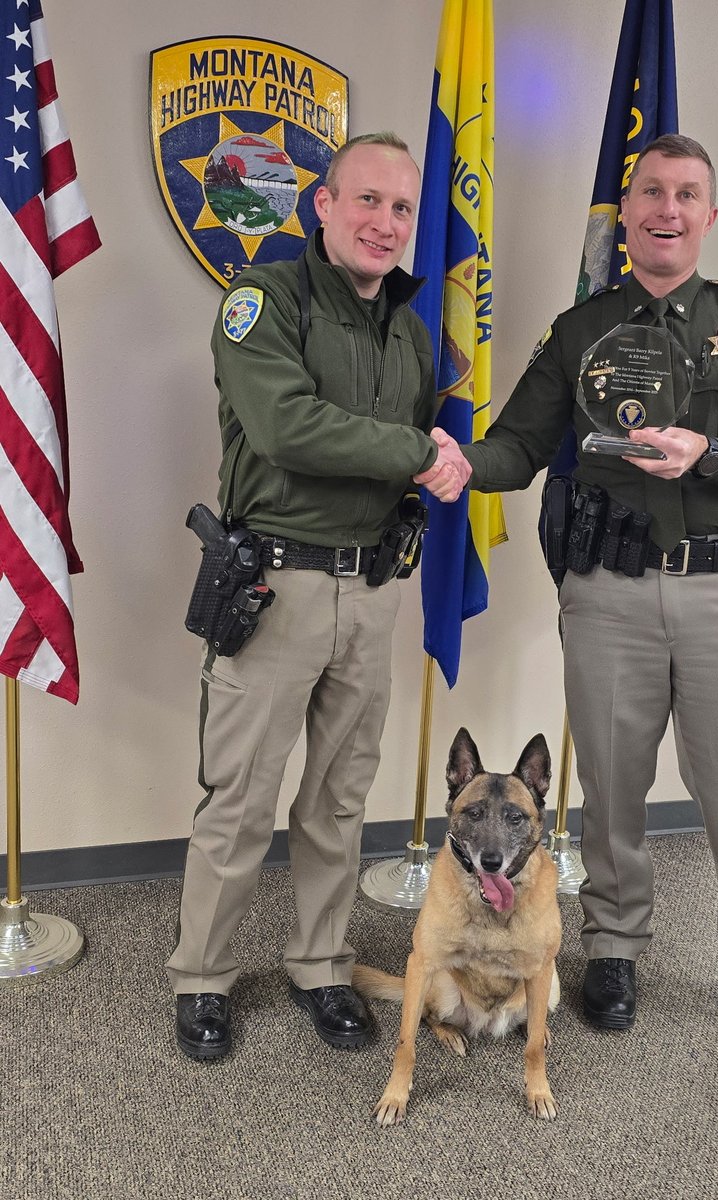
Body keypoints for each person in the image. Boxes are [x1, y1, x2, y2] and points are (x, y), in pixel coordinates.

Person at [419, 134, 718, 1056]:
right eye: (653, 192)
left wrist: (713, 453)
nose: (668, 210)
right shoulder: (581, 330)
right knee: (611, 786)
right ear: (630, 207)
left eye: (688, 194)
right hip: (606, 593)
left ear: (709, 215)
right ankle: (613, 946)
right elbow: (517, 446)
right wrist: (457, 464)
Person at [168, 132, 469, 1060]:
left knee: (339, 797)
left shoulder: (409, 330)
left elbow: (406, 446)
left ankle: (321, 965)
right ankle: (204, 980)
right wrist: (421, 452)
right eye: (367, 201)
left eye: (403, 209)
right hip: (277, 588)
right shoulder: (264, 301)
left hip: (370, 590)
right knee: (241, 798)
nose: (386, 223)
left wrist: (440, 458)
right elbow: (285, 426)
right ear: (323, 207)